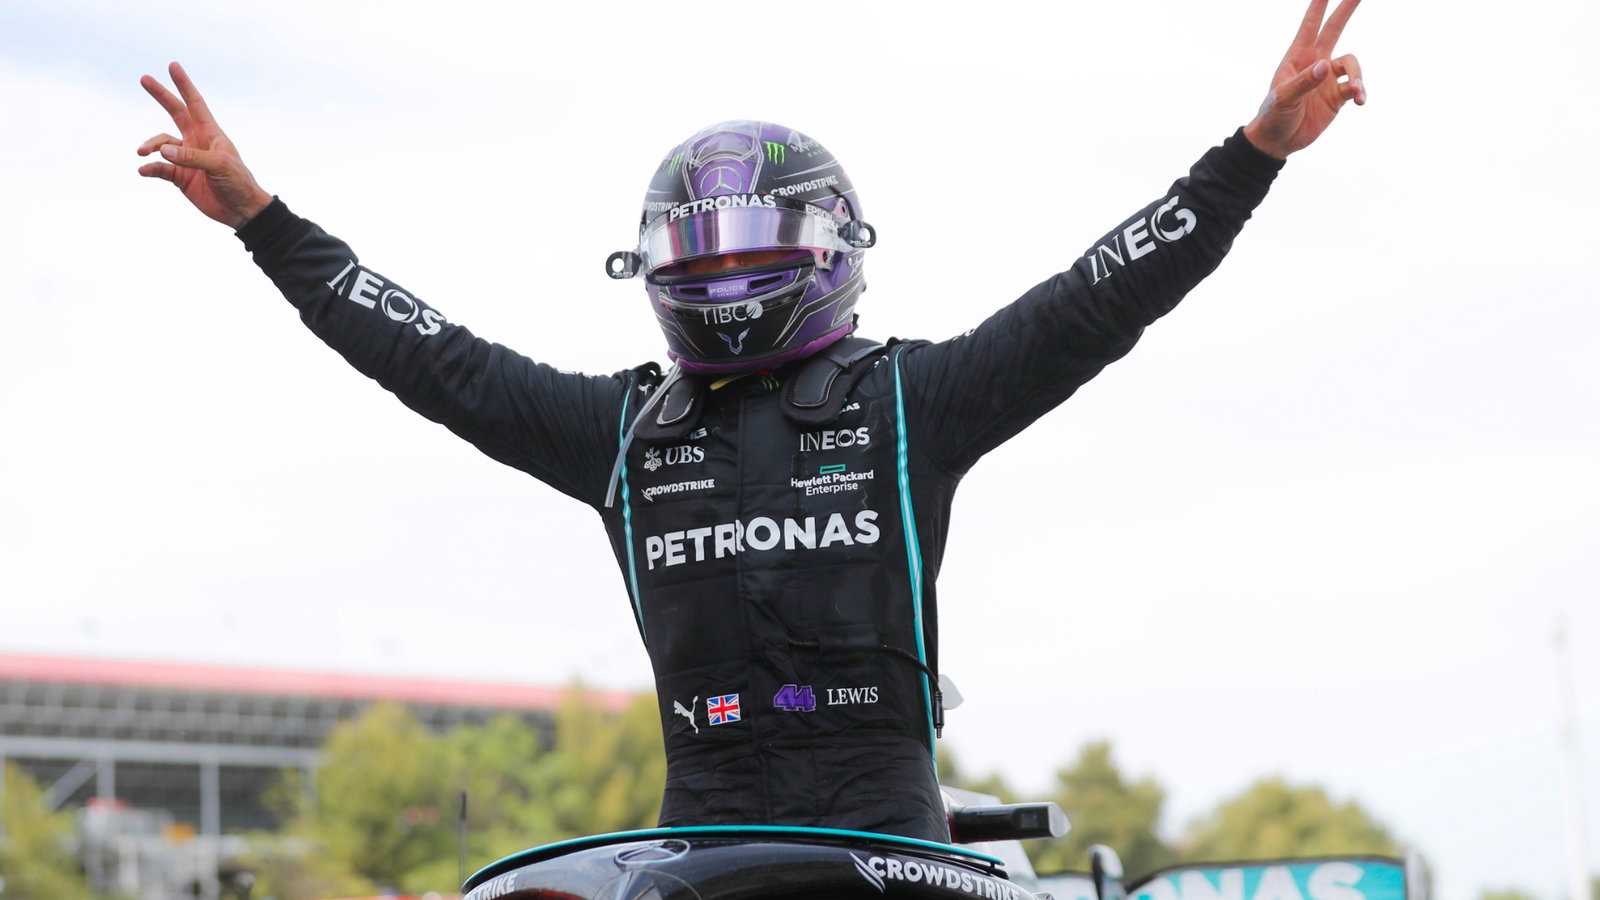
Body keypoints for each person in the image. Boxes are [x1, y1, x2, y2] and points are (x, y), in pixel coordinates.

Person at [136, 0, 1365, 844]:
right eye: (698, 253)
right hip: (707, 834)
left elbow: (1096, 299)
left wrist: (1252, 153)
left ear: (826, 249)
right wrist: (263, 220)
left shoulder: (909, 405)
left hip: (892, 834)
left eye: (753, 249)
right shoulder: (619, 433)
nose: (724, 276)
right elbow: (428, 356)